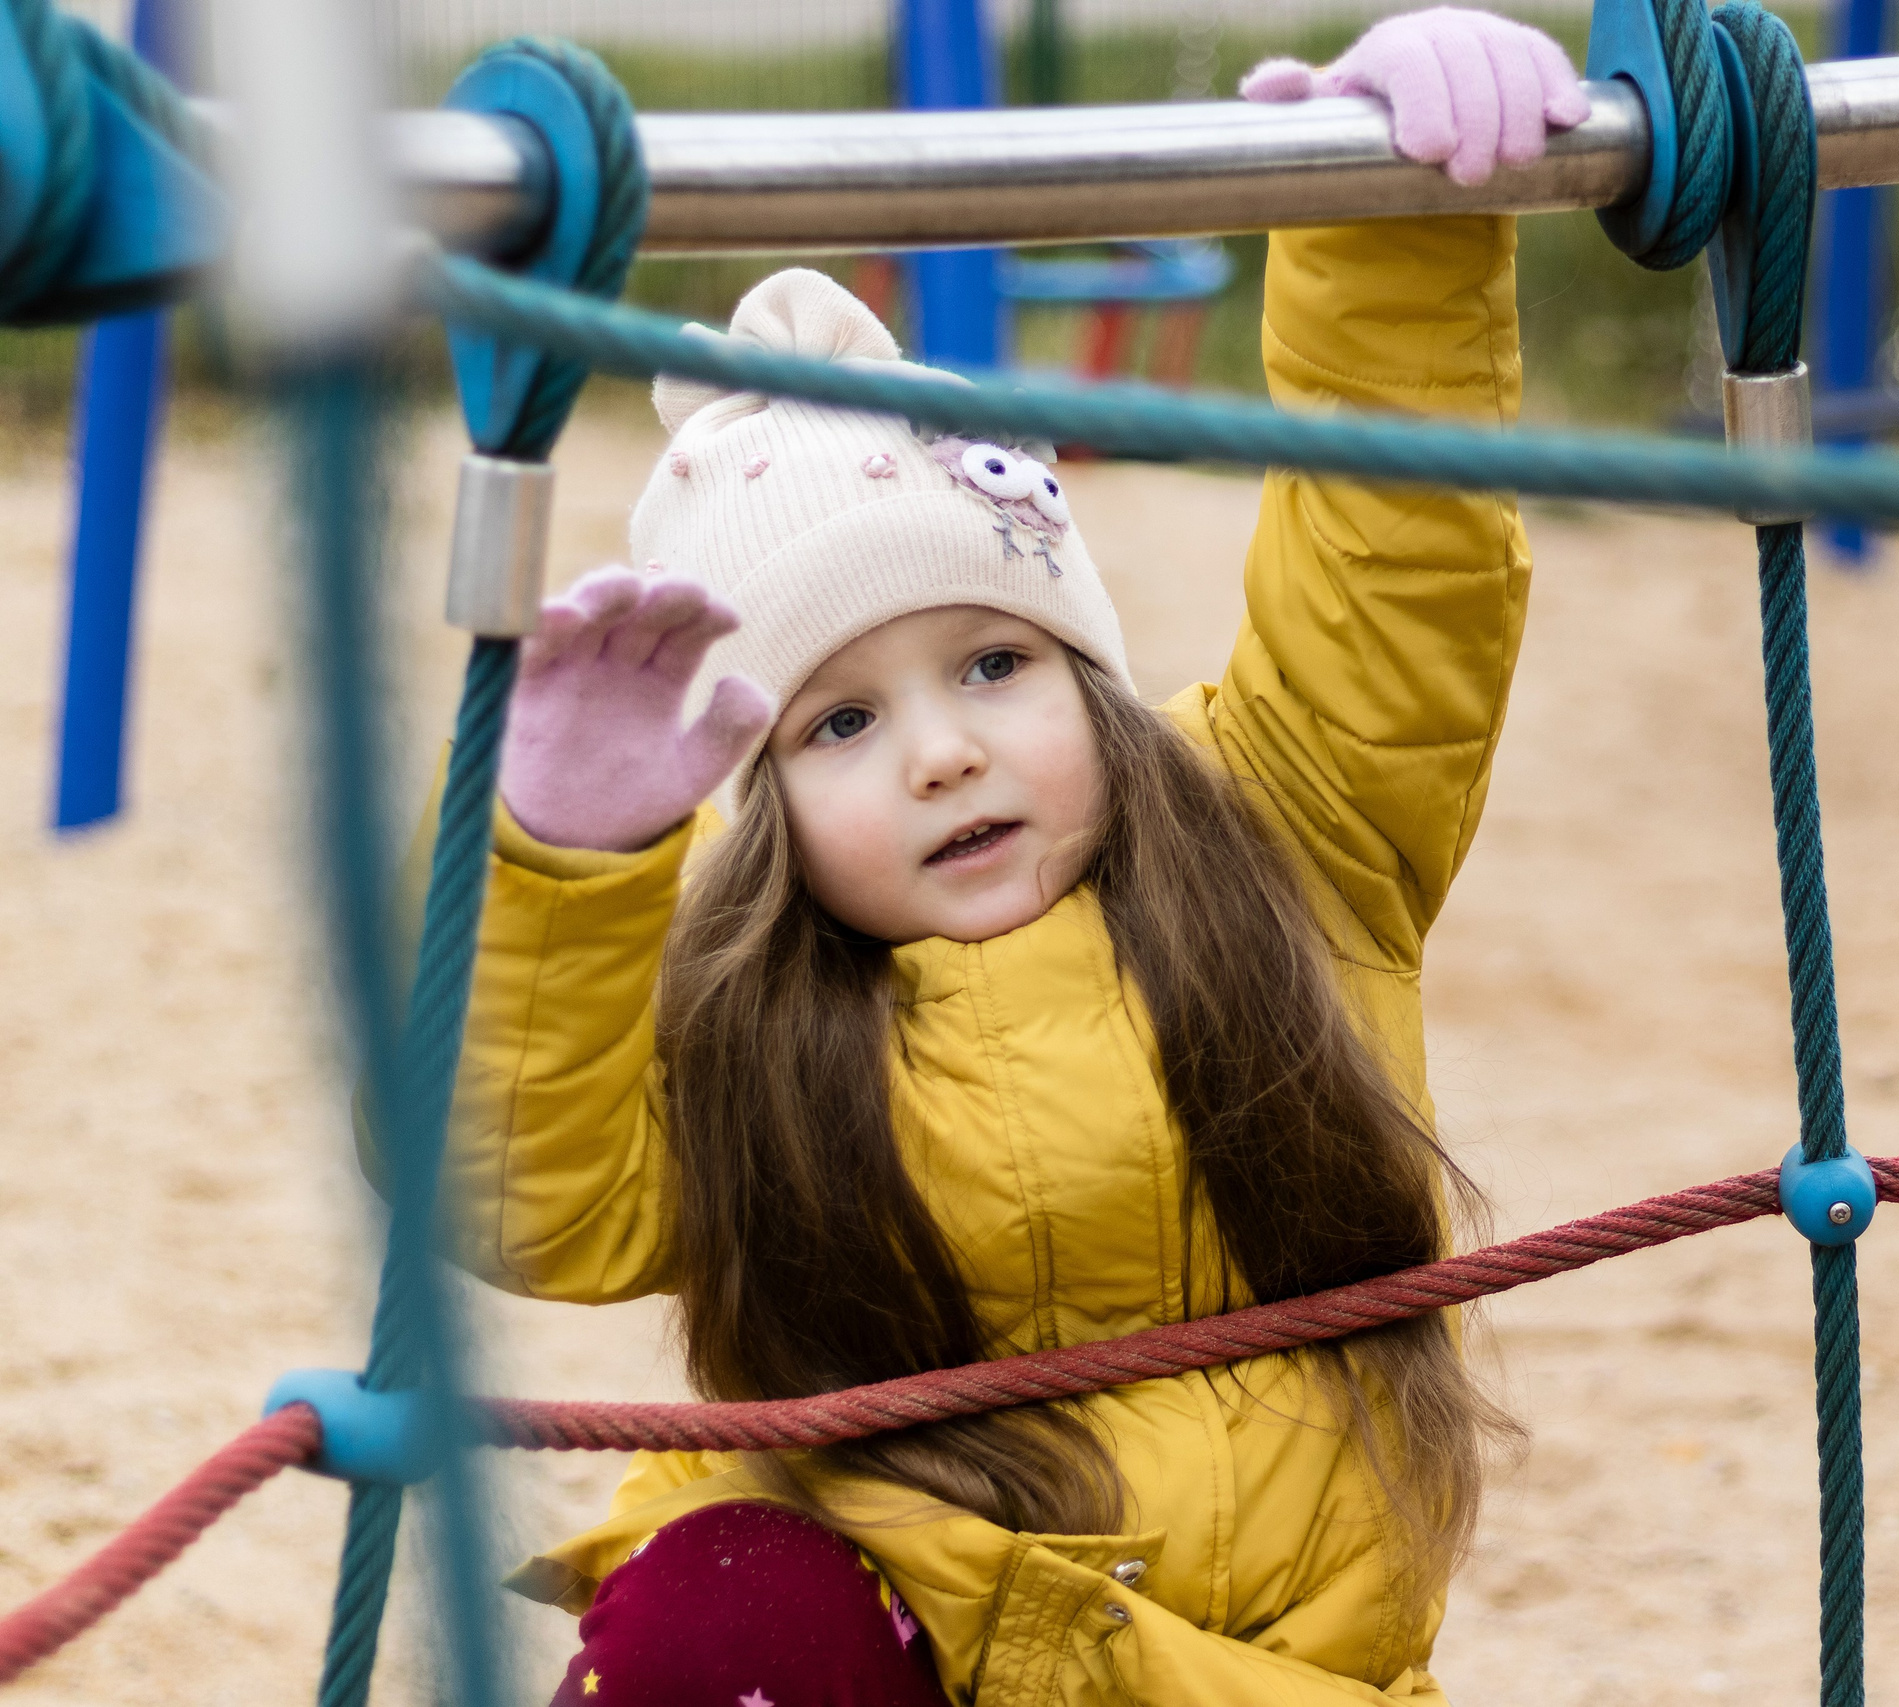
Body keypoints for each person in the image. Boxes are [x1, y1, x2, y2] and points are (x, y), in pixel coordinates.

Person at [419, 12, 1591, 1704]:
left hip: (1246, 1676)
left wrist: (1388, 226)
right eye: (837, 725)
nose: (942, 750)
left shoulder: (1291, 836)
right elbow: (519, 1192)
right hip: (901, 1627)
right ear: (764, 797)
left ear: (1083, 671)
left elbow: (1399, 578)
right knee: (719, 1606)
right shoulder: (747, 1024)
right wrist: (560, 860)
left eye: (993, 663)